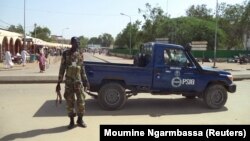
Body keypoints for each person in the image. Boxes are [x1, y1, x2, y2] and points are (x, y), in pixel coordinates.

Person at [56, 36, 88, 129]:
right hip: (69, 83)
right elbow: (62, 68)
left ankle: (80, 119)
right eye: (76, 42)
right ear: (72, 43)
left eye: (78, 42)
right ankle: (71, 122)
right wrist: (58, 82)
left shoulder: (80, 54)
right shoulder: (66, 54)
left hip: (78, 83)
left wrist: (85, 80)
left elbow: (82, 68)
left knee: (81, 101)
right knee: (70, 103)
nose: (78, 44)